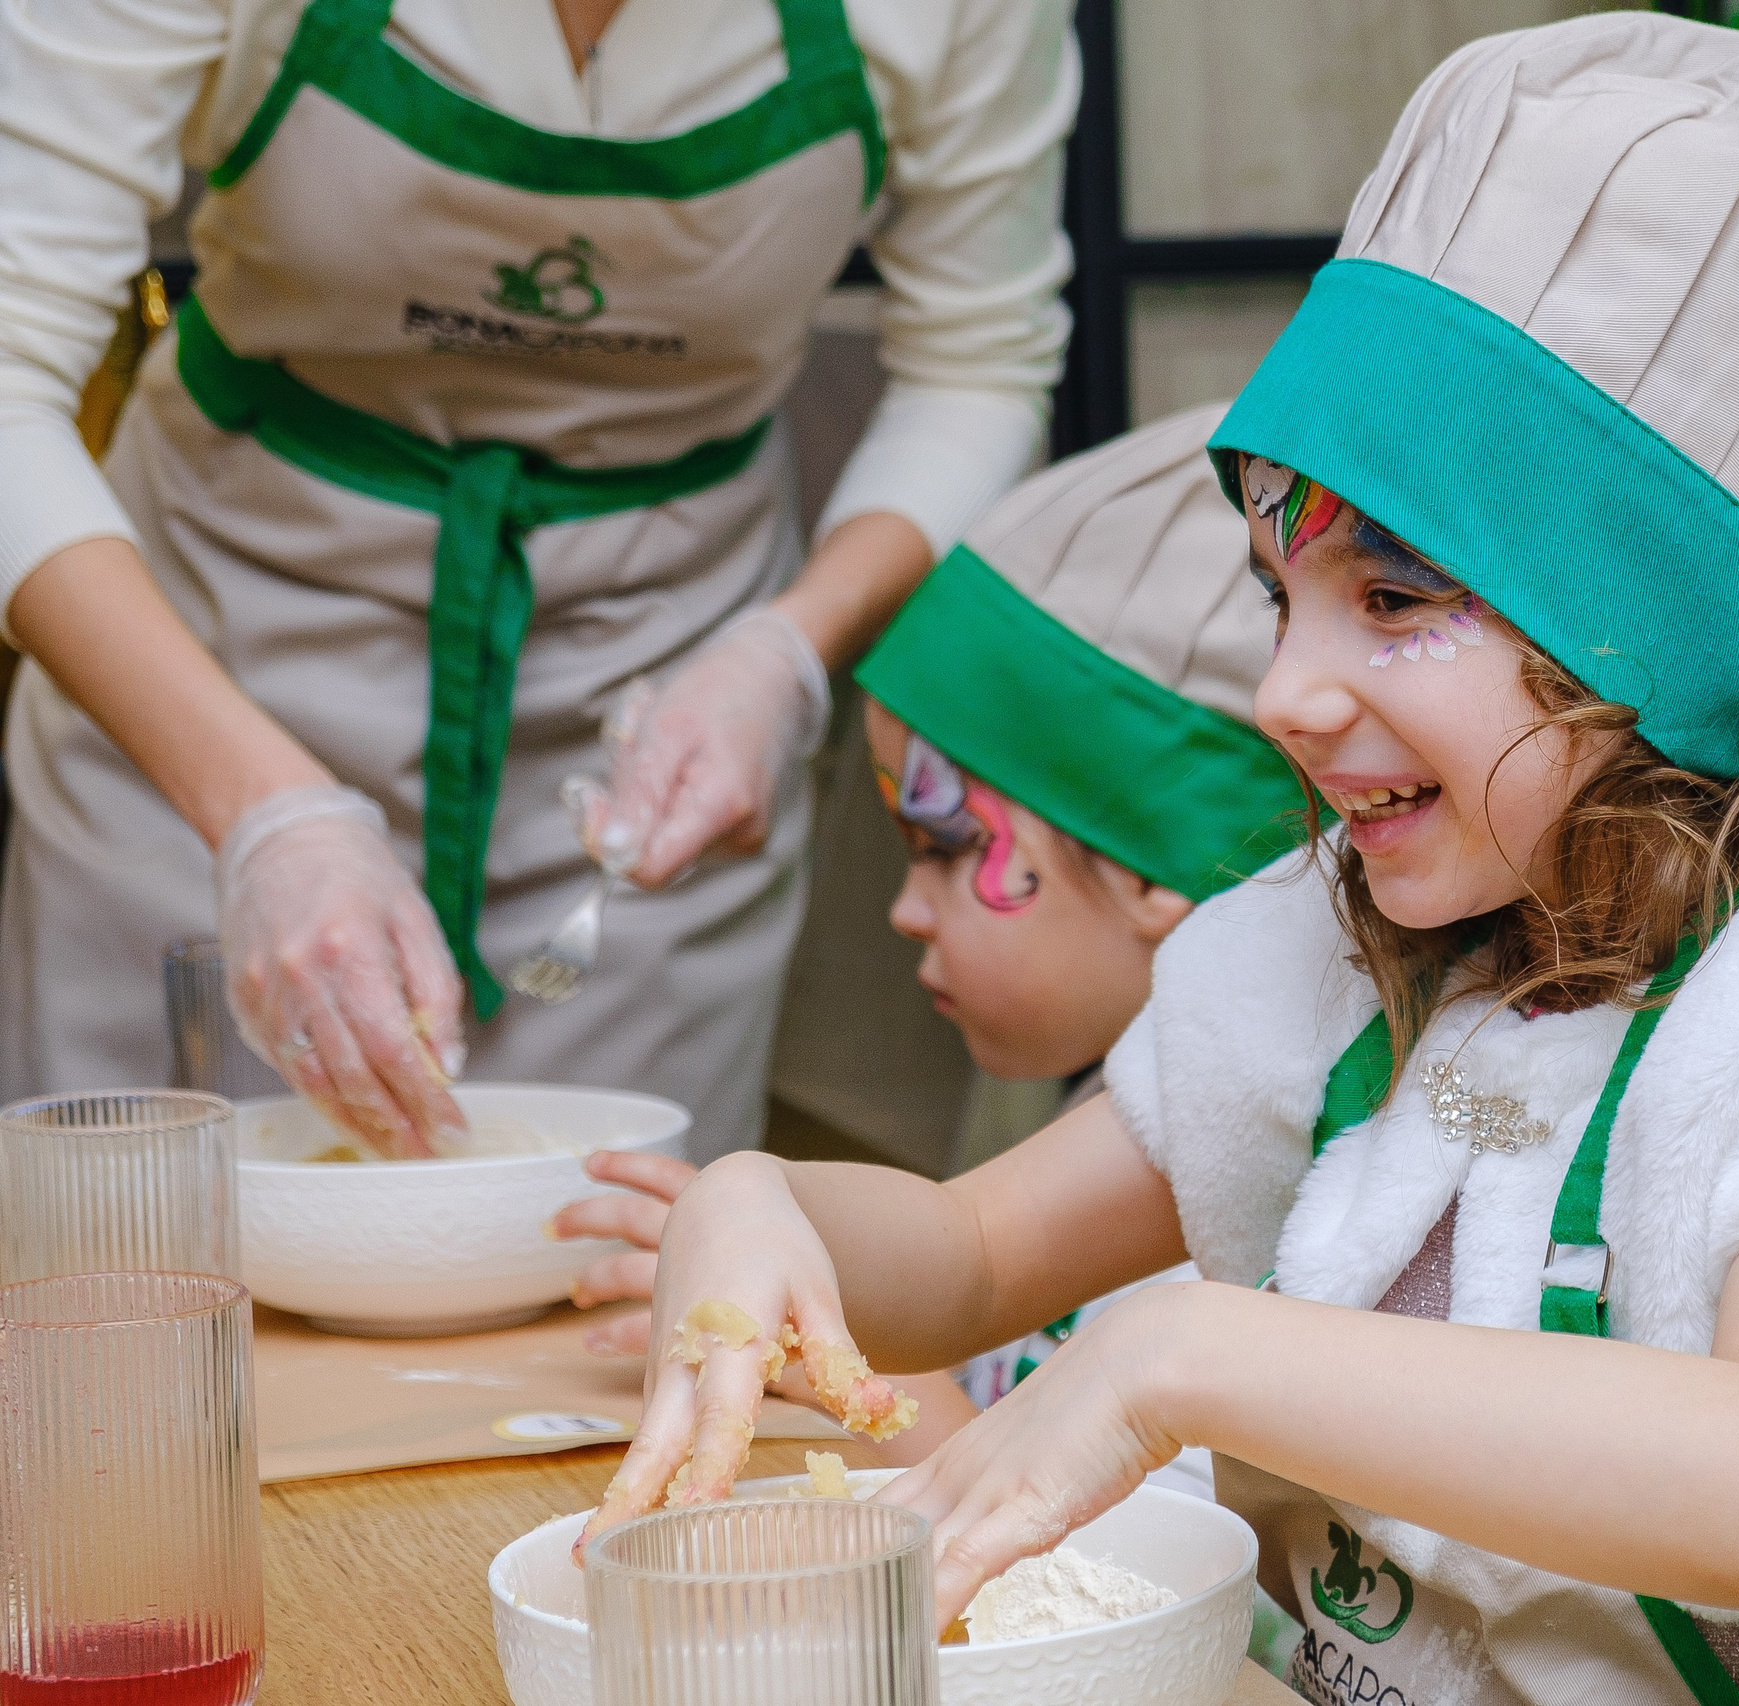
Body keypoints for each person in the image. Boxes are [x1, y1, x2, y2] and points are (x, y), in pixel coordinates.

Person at [587, 17, 1739, 1704]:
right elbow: (964, 1260)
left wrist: (1189, 1352)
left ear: (1654, 643)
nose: (1281, 694)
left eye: (1393, 602)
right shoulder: (1329, 952)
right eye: (1280, 598)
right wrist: (757, 1212)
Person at [0, 0, 1077, 1160]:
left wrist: (785, 651)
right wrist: (263, 813)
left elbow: (979, 357)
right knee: (156, 1263)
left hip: (653, 705)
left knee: (620, 1284)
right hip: (200, 658)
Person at [551, 400, 1299, 1509]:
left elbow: (1132, 1555)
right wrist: (769, 1254)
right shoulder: (1097, 1124)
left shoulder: (1242, 1208)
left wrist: (847, 1356)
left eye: (942, 848)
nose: (904, 910)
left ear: (1153, 870)